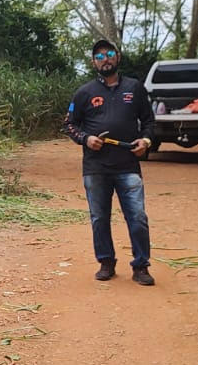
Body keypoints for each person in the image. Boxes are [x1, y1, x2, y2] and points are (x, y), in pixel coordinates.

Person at [65, 38, 157, 286]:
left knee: (137, 216)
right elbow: (70, 124)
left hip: (128, 164)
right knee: (99, 217)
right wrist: (86, 139)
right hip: (96, 167)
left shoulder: (135, 88)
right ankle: (106, 262)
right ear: (94, 62)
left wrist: (146, 141)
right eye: (99, 56)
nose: (105, 59)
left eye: (109, 54)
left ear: (118, 57)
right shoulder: (84, 93)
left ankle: (141, 266)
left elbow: (149, 122)